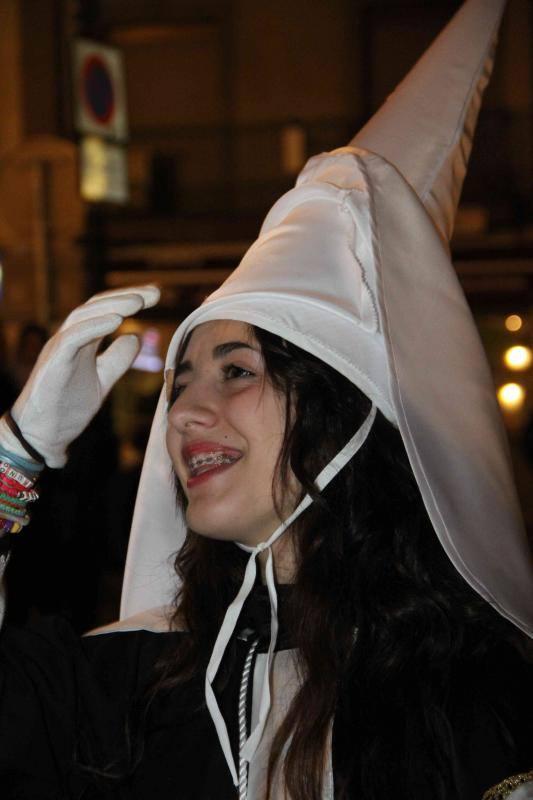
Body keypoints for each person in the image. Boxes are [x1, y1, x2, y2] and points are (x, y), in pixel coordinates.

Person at [0, 1, 531, 798]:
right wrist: (16, 455)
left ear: (348, 410)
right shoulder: (127, 682)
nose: (181, 414)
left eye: (236, 371)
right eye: (180, 382)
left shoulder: (487, 694)